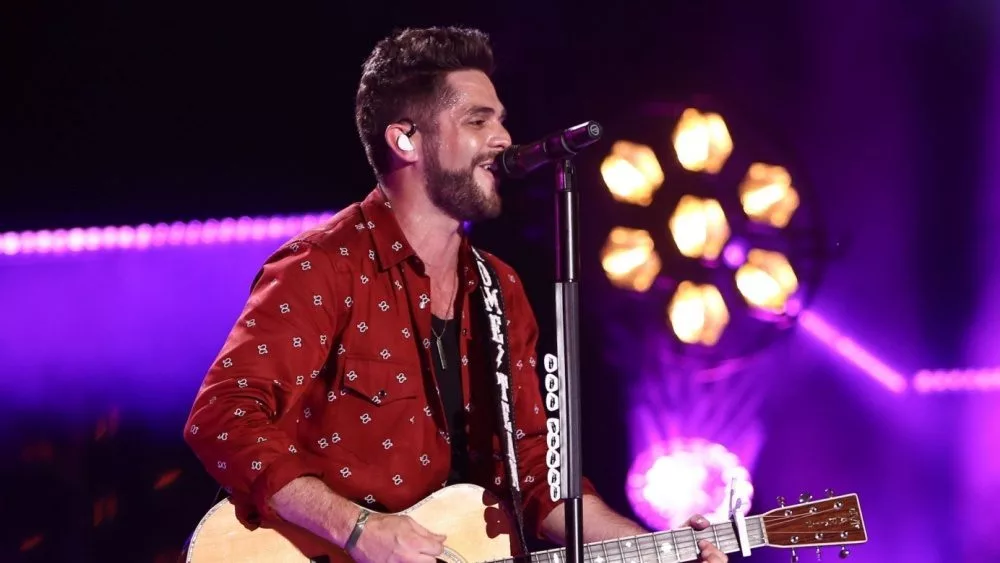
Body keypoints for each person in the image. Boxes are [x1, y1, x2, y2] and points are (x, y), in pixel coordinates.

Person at [183, 25, 727, 563]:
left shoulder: (499, 289)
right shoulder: (324, 267)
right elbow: (224, 416)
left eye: (501, 120)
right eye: (477, 120)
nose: (503, 139)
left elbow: (537, 475)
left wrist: (658, 549)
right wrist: (358, 530)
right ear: (405, 139)